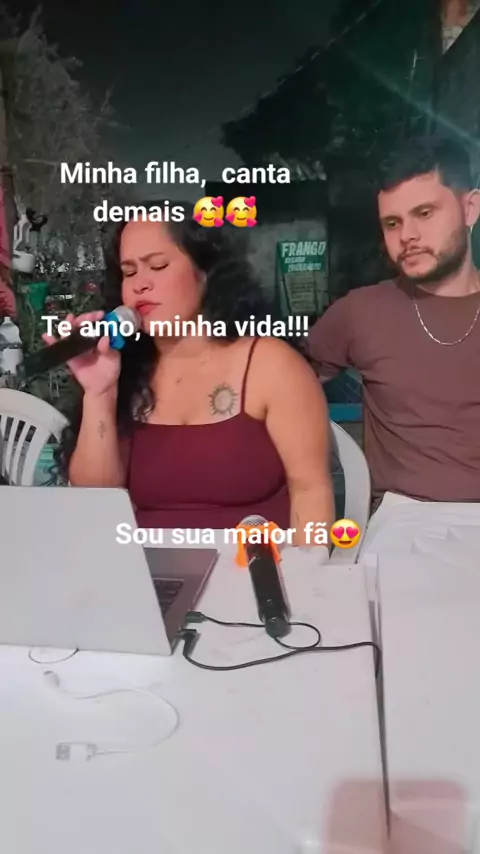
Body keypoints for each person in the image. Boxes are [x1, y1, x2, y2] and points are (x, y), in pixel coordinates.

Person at [51, 204, 334, 545]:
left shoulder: (271, 364)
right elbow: (96, 502)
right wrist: (100, 392)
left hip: (256, 570)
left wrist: (307, 571)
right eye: (129, 272)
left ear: (205, 271)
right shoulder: (124, 370)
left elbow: (311, 491)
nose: (140, 284)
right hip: (144, 569)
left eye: (158, 266)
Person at [308, 135, 480, 512]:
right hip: (404, 518)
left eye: (424, 213)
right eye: (392, 222)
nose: (407, 236)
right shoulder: (361, 312)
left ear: (470, 208)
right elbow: (283, 386)